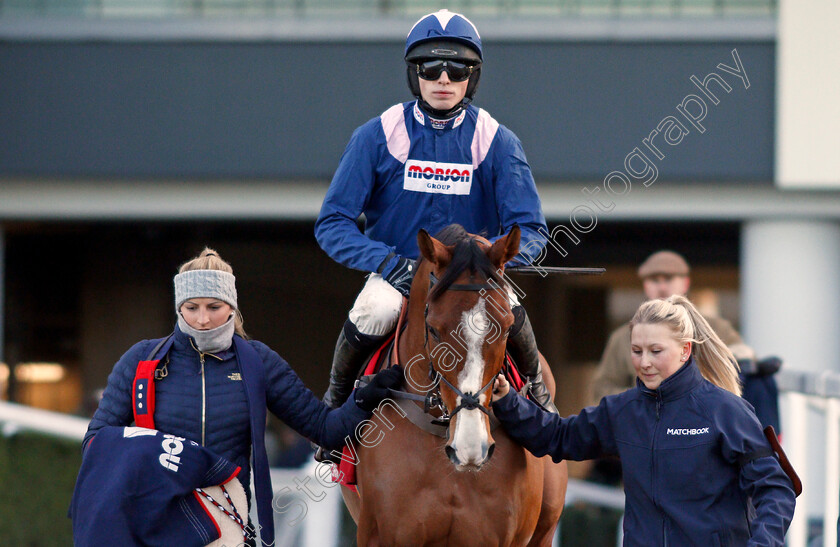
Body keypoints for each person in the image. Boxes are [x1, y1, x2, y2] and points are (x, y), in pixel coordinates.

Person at [314, 9, 556, 429]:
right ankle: (334, 409)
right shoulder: (375, 135)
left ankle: (539, 394)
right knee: (374, 309)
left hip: (475, 280)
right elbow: (332, 223)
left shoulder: (499, 141)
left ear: (472, 77)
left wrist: (492, 265)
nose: (444, 79)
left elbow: (531, 230)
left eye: (458, 68)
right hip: (397, 276)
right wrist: (389, 264)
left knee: (511, 311)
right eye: (431, 67)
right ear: (416, 74)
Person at [81, 248, 402, 547]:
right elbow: (96, 442)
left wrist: (364, 397)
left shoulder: (258, 361)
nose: (203, 319)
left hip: (229, 526)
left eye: (214, 307)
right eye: (191, 308)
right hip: (154, 523)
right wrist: (165, 453)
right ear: (179, 307)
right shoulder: (142, 360)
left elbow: (325, 430)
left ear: (232, 307)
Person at [492, 295, 796, 547]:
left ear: (685, 350)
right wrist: (508, 401)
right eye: (637, 351)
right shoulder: (622, 410)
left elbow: (775, 488)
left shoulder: (726, 411)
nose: (644, 362)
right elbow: (557, 436)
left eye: (656, 351)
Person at [591, 250, 756, 402]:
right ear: (645, 285)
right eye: (655, 280)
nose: (662, 287)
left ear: (685, 283)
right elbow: (602, 389)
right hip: (646, 426)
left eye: (669, 279)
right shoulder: (623, 337)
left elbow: (741, 373)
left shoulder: (716, 329)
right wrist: (646, 396)